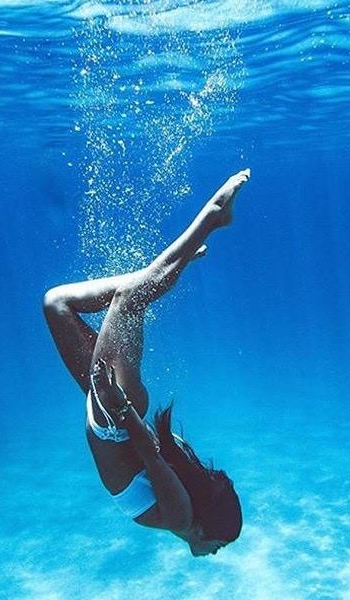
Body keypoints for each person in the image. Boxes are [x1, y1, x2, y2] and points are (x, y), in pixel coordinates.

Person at [43, 169, 250, 556]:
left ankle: (164, 269)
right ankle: (213, 217)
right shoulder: (181, 519)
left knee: (58, 304)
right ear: (207, 531)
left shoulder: (179, 513)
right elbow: (151, 455)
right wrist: (117, 403)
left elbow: (152, 455)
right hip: (114, 418)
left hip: (113, 413)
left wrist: (114, 402)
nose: (215, 552)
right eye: (220, 546)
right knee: (130, 300)